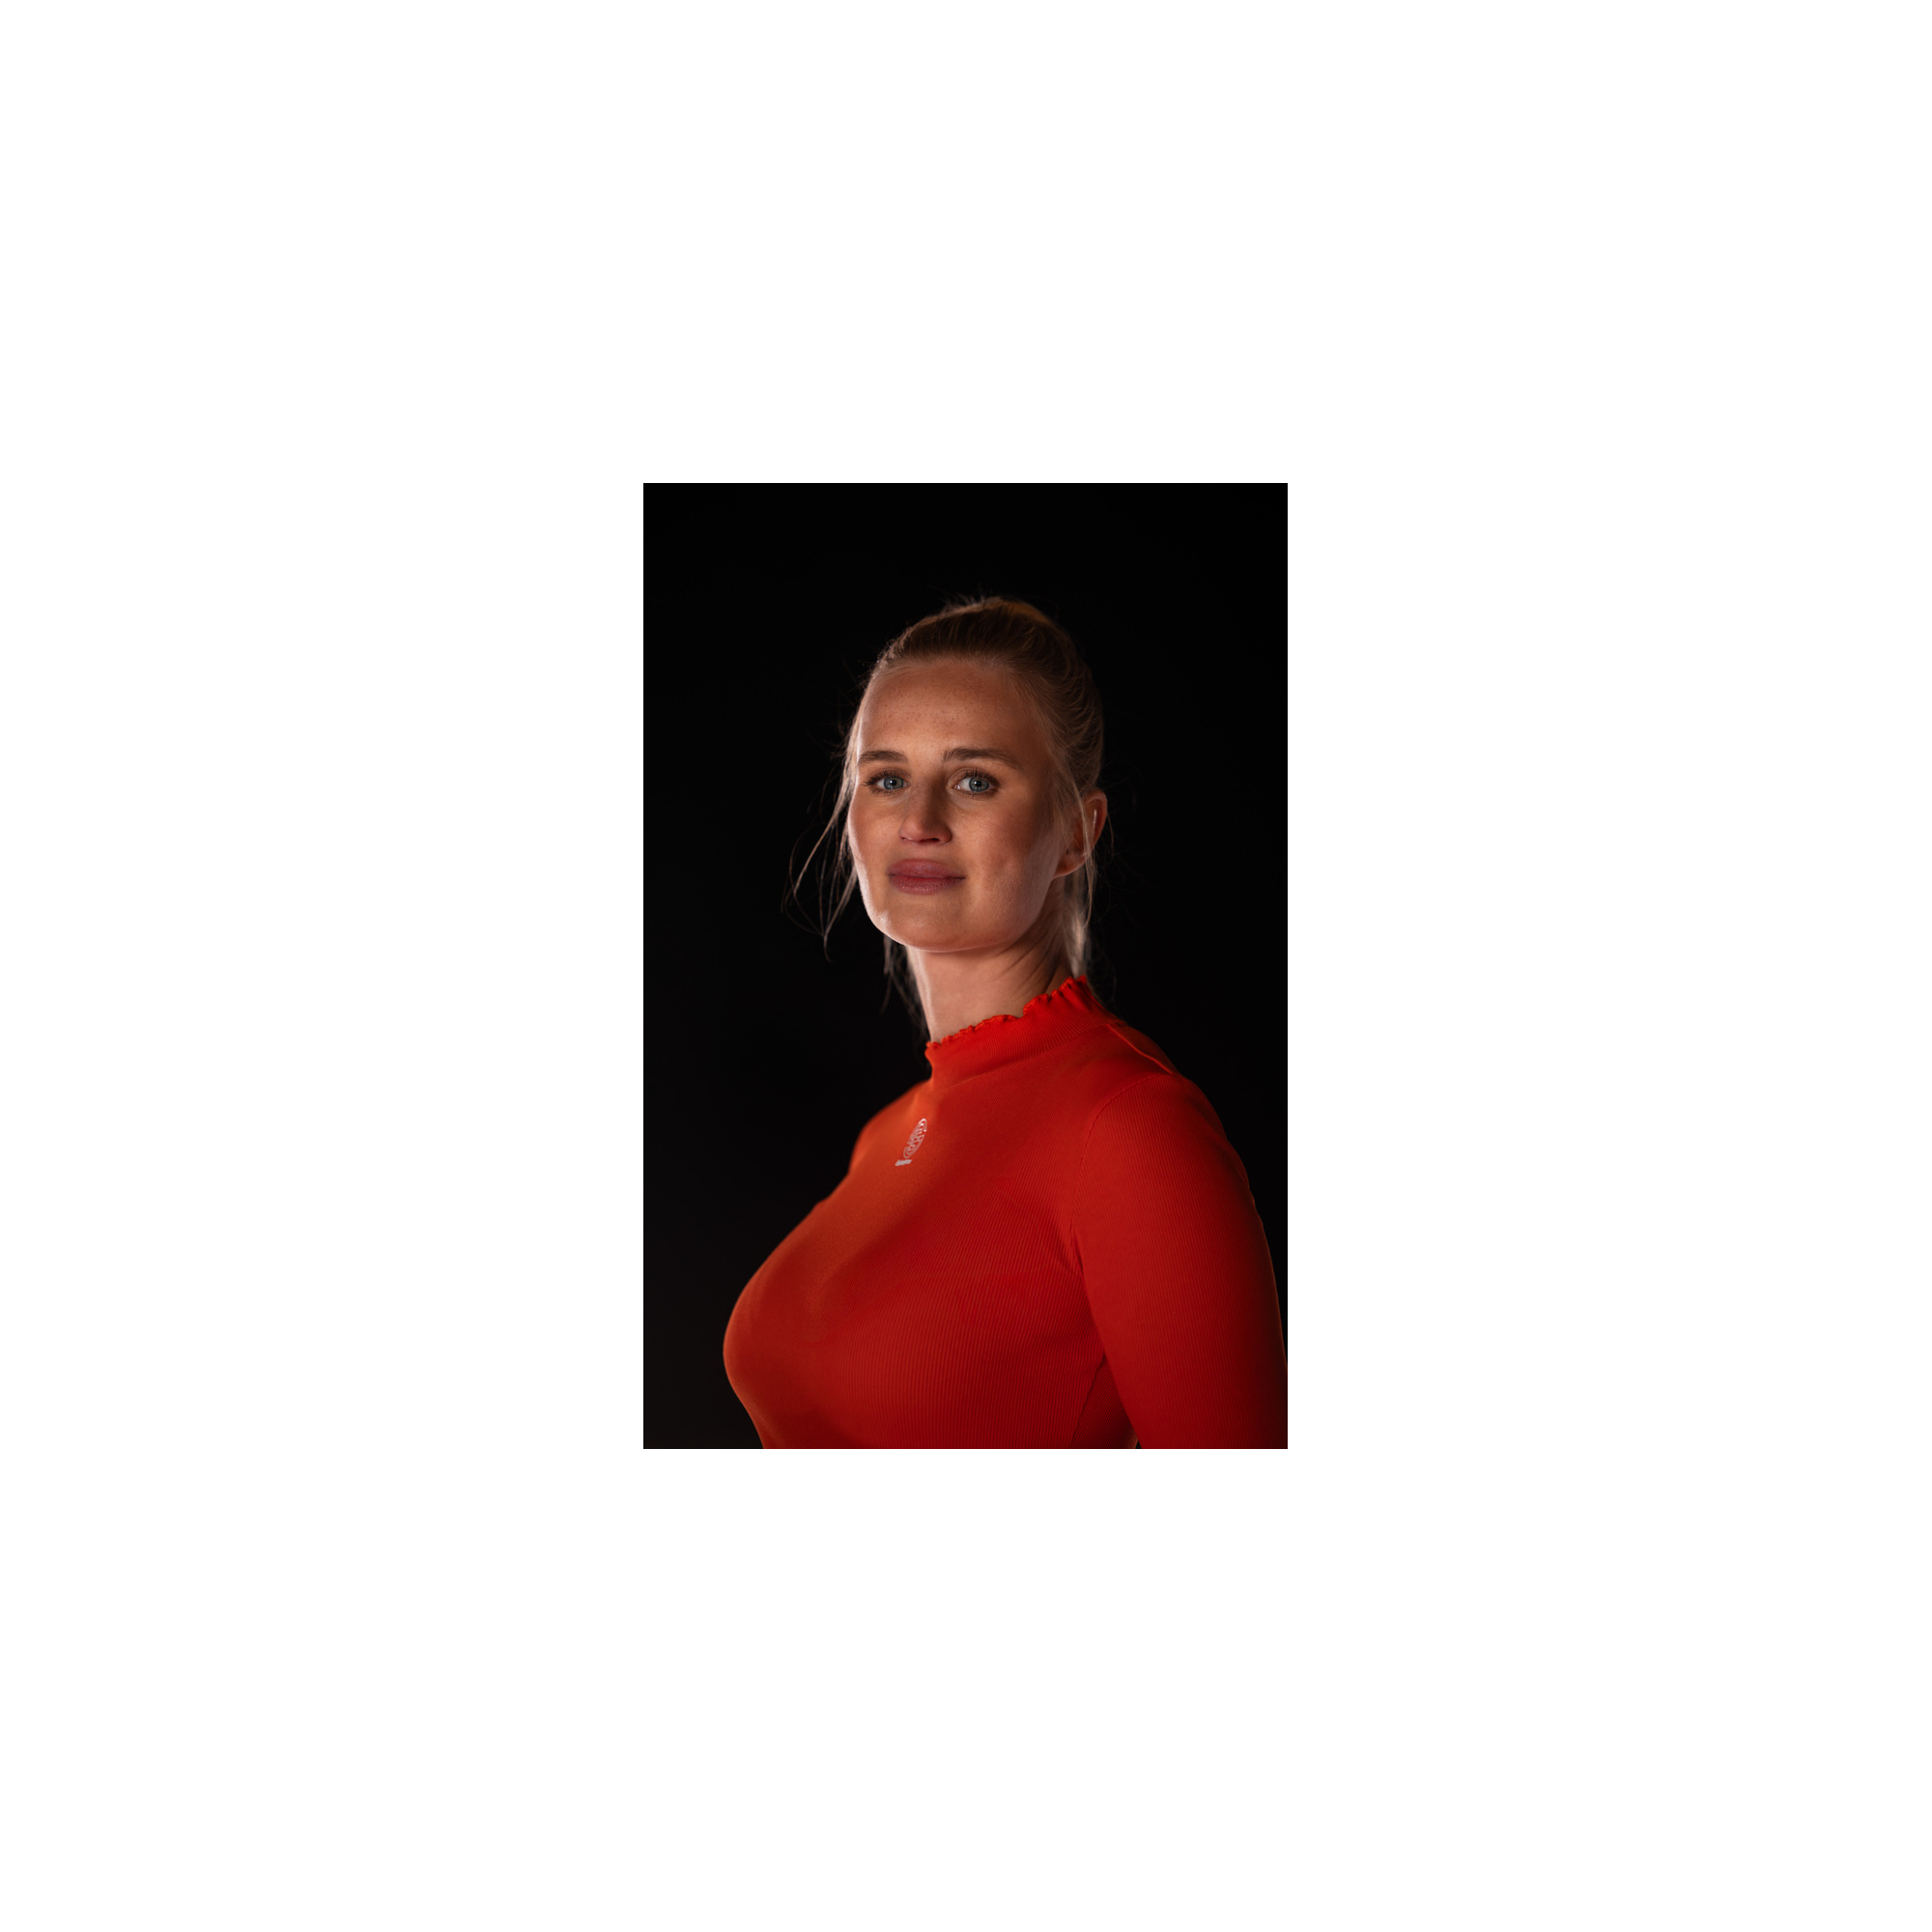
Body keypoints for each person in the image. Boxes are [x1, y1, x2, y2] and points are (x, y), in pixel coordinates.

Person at [723, 598, 1286, 1448]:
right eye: (887, 779)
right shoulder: (889, 1135)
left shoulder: (1128, 1128)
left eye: (975, 780)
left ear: (1076, 832)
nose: (919, 822)